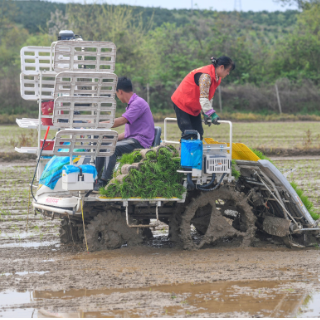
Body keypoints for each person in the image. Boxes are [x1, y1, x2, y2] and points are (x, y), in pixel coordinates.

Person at [94, 77, 155, 191]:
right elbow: (127, 134)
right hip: (134, 140)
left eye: (116, 93)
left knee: (112, 148)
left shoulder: (138, 103)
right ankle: (96, 178)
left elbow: (121, 121)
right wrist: (111, 137)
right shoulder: (132, 104)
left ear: (120, 91)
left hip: (141, 143)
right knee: (103, 144)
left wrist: (98, 124)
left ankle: (104, 181)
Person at [171, 56, 235, 140]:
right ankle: (184, 153)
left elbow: (209, 96)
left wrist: (206, 112)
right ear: (221, 67)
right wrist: (212, 114)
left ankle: (197, 153)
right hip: (182, 103)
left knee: (198, 133)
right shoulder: (206, 76)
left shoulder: (217, 78)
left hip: (193, 106)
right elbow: (204, 98)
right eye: (228, 71)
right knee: (188, 132)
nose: (228, 73)